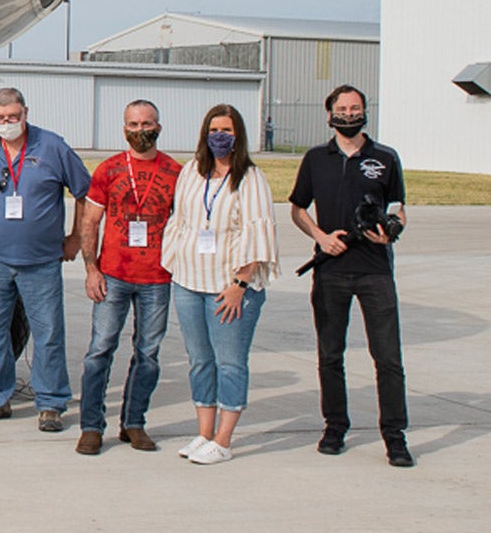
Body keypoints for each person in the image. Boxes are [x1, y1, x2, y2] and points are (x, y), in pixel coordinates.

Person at [289, 85, 413, 468]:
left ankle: (395, 436)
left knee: (388, 357)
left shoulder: (385, 158)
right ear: (329, 114)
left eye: (355, 107)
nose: (348, 113)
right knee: (330, 355)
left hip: (375, 271)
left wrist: (391, 230)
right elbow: (297, 209)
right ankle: (335, 427)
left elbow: (398, 208)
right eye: (341, 108)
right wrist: (321, 238)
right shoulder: (315, 158)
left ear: (364, 111)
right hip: (331, 271)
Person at [0, 87, 89, 432]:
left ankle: (50, 402)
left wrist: (75, 237)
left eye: (13, 117)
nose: (7, 123)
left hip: (41, 260)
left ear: (25, 112)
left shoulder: (52, 146)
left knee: (47, 333)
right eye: (0, 119)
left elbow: (84, 192)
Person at [160, 104, 279, 464]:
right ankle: (204, 433)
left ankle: (224, 440)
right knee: (199, 361)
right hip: (190, 282)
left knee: (230, 362)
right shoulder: (192, 173)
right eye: (213, 130)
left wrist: (240, 283)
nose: (219, 136)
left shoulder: (250, 178)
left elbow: (258, 232)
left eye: (226, 130)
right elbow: (180, 221)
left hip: (228, 287)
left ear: (238, 135)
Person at [74, 101, 183, 455]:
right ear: (124, 129)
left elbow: (186, 224)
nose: (140, 130)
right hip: (114, 276)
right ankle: (91, 426)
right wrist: (92, 269)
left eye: (147, 123)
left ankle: (134, 423)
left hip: (157, 279)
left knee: (148, 353)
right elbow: (89, 222)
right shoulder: (109, 170)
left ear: (159, 127)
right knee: (99, 351)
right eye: (133, 124)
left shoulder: (175, 173)